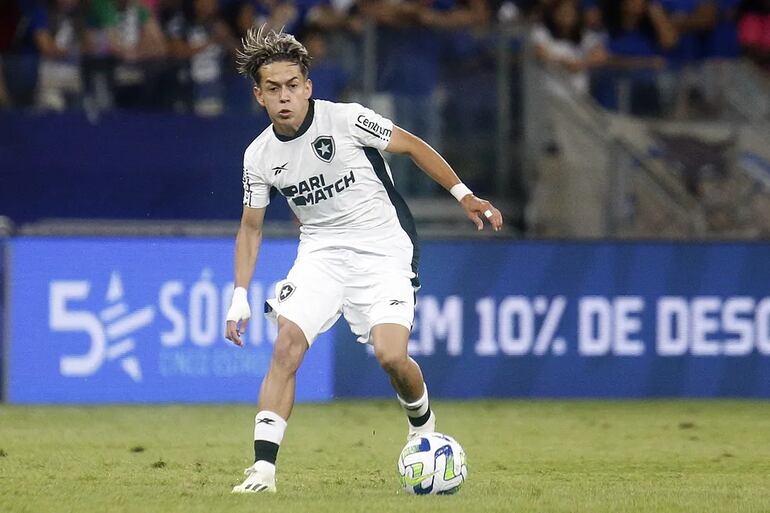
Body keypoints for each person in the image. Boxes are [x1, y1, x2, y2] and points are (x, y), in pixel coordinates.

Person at [223, 25, 503, 494]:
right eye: (274, 89)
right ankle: (263, 471)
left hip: (383, 247)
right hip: (322, 252)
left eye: (293, 85)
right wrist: (238, 296)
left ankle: (422, 428)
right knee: (286, 344)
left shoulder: (347, 119)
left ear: (308, 87)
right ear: (259, 96)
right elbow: (251, 228)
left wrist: (464, 194)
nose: (285, 96)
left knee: (391, 356)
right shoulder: (259, 156)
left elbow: (411, 144)